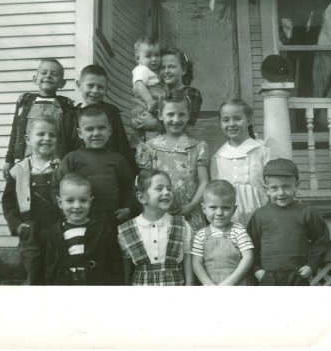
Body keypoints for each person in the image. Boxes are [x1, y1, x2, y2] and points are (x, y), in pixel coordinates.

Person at [247, 158, 330, 286]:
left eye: (286, 187)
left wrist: (311, 266)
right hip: (268, 275)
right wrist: (257, 270)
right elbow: (250, 245)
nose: (281, 193)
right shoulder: (260, 214)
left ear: (296, 186)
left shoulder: (306, 212)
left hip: (298, 274)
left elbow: (321, 240)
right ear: (266, 189)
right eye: (274, 188)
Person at [1, 115, 62, 285]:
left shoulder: (61, 167)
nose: (47, 139)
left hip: (55, 227)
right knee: (33, 271)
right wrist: (16, 224)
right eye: (41, 134)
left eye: (52, 135)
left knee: (55, 269)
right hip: (30, 229)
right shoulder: (18, 169)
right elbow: (8, 201)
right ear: (28, 139)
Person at [136, 90, 209, 231]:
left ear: (188, 115)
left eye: (181, 114)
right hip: (160, 214)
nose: (176, 120)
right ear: (160, 115)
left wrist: (191, 206)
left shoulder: (198, 147)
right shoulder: (149, 148)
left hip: (191, 213)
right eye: (170, 114)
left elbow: (204, 182)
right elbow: (144, 184)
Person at [52, 105, 135, 225]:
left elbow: (129, 186)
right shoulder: (72, 159)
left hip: (112, 220)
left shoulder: (118, 160)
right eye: (89, 129)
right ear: (80, 133)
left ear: (110, 130)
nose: (96, 133)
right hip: (79, 220)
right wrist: (66, 213)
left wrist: (128, 208)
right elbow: (56, 187)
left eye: (101, 128)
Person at [117, 169, 194, 286]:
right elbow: (127, 270)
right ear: (141, 197)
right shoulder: (126, 230)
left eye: (169, 188)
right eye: (159, 188)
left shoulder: (182, 225)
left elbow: (188, 261)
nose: (167, 192)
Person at [210, 99, 279, 227]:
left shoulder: (262, 152)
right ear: (220, 123)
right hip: (230, 220)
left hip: (261, 217)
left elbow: (274, 186)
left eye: (237, 118)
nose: (231, 124)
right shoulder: (218, 157)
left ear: (249, 120)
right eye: (226, 120)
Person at [2, 58, 75, 179]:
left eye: (54, 74)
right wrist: (9, 159)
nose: (48, 76)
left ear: (62, 83)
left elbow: (70, 136)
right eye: (44, 72)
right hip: (27, 161)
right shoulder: (25, 101)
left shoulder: (65, 104)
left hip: (55, 162)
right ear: (35, 79)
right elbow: (16, 131)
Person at [45, 173, 123, 285]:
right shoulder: (55, 232)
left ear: (90, 202)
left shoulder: (102, 230)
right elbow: (50, 266)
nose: (77, 206)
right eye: (70, 201)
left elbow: (114, 264)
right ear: (60, 203)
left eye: (83, 200)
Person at [63, 64, 136, 172]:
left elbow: (122, 145)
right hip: (79, 173)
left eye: (100, 87)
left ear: (106, 89)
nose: (95, 91)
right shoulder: (70, 116)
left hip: (109, 171)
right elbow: (64, 149)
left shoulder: (111, 112)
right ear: (79, 85)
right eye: (90, 86)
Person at [191, 180, 254, 286]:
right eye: (213, 207)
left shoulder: (238, 231)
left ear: (234, 209)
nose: (219, 213)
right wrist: (208, 284)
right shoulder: (200, 235)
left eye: (225, 208)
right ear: (204, 208)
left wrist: (229, 283)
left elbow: (248, 257)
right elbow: (197, 263)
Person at [130, 38, 165, 144]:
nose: (154, 59)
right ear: (137, 58)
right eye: (148, 56)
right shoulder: (142, 69)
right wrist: (149, 100)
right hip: (146, 104)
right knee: (149, 132)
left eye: (157, 55)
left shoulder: (152, 72)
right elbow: (139, 84)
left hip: (153, 105)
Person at [160, 47, 203, 127]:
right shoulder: (161, 94)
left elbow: (181, 122)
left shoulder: (191, 93)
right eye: (162, 67)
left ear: (184, 70)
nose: (166, 71)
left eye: (172, 67)